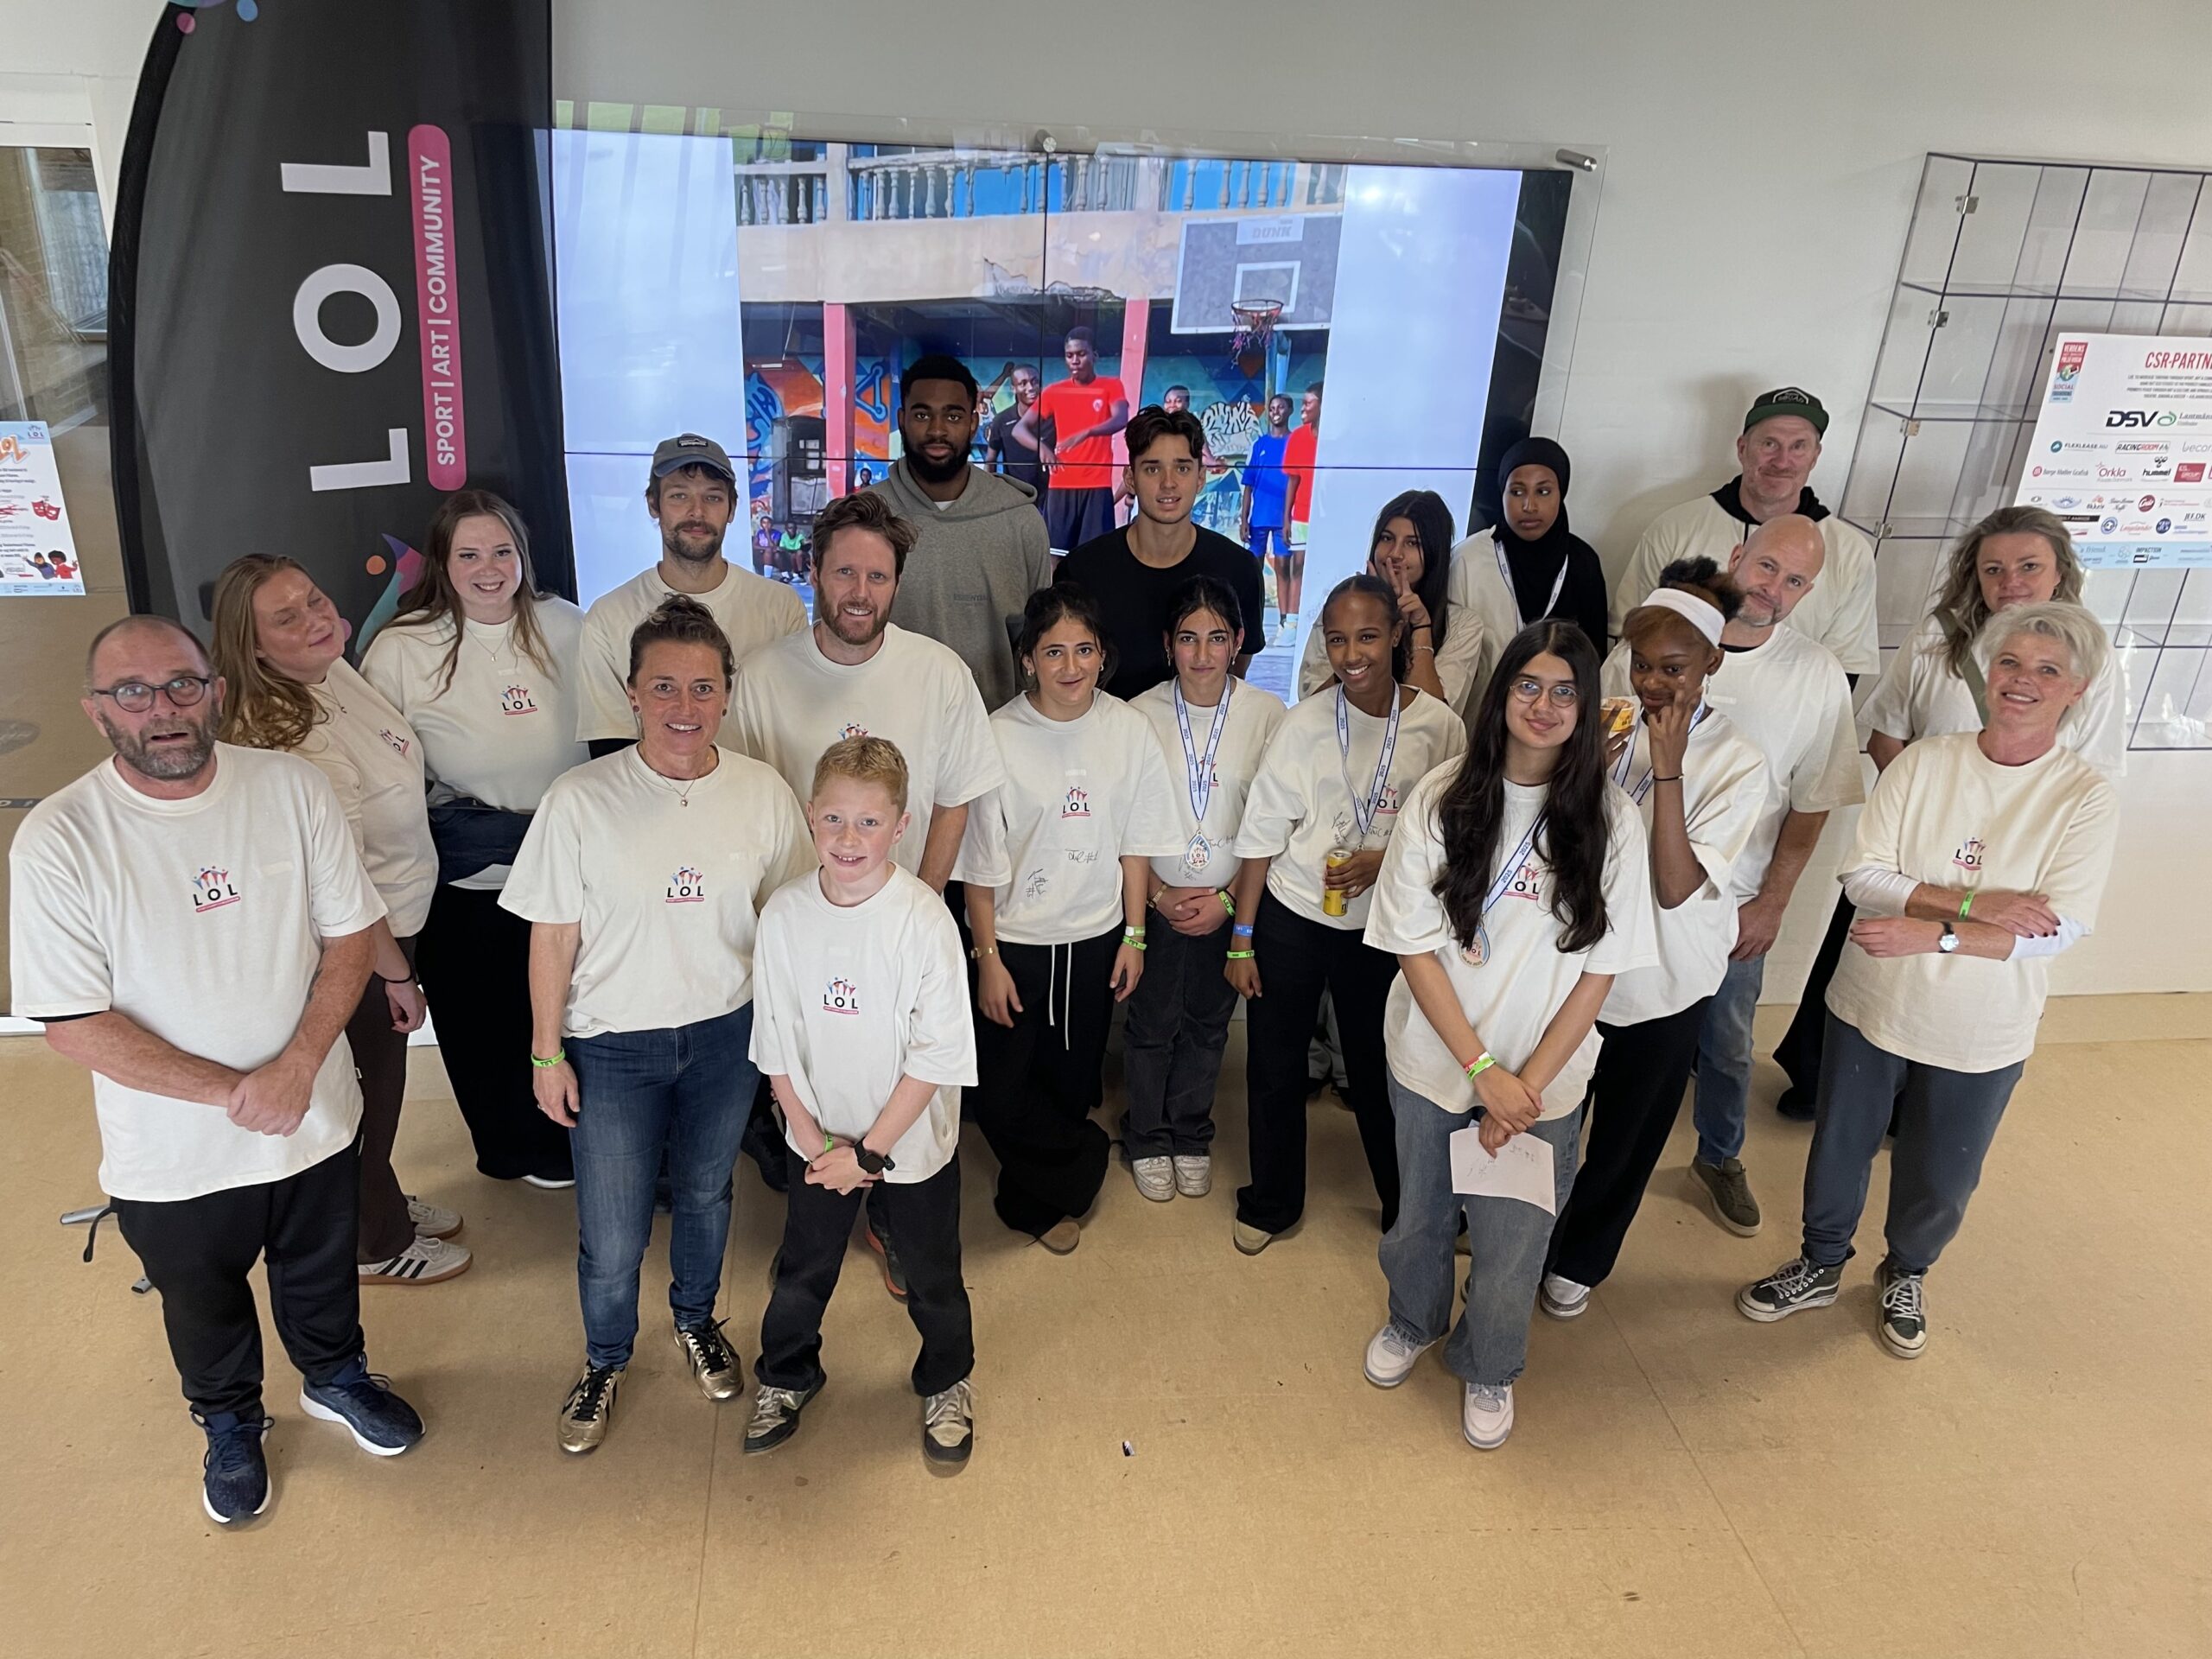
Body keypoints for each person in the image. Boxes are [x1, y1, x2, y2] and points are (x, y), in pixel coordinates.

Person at [10, 616, 424, 1524]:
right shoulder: (59, 838)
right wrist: (236, 1092)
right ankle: (231, 1421)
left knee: (320, 1271)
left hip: (314, 1116)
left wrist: (299, 1067)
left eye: (182, 685)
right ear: (96, 710)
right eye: (132, 692)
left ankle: (335, 1377)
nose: (161, 708)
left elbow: (351, 936)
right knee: (202, 1302)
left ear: (217, 693)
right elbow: (75, 1025)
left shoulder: (290, 787)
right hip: (174, 1152)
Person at [1738, 601, 2119, 1359]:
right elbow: (1863, 877)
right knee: (1838, 1148)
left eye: (2047, 671)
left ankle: (1907, 1271)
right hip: (1873, 1002)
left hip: (1983, 1026)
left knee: (1943, 1173)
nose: (2022, 681)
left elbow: (2058, 930)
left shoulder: (2085, 796)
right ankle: (1820, 1262)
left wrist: (1933, 931)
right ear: (1987, 671)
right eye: (2010, 663)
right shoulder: (1924, 763)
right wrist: (1981, 907)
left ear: (2076, 689)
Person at [503, 596, 814, 1455]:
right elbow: (552, 934)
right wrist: (545, 1053)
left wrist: (792, 1041)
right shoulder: (580, 799)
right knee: (612, 1231)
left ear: (727, 695)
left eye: (703, 688)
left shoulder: (761, 792)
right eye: (665, 686)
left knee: (708, 1193)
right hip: (611, 1044)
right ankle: (606, 1358)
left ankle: (695, 1319)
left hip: (724, 1037)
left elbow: (788, 918)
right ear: (631, 693)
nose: (685, 706)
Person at [1361, 621, 1655, 1450]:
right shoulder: (1443, 797)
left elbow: (1600, 973)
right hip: (1436, 1062)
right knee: (1420, 1217)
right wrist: (1482, 1069)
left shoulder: (1612, 821)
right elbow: (1414, 947)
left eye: (1565, 692)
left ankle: (1489, 1361)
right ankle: (1412, 1319)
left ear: (1587, 708)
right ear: (1502, 693)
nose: (1544, 705)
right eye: (1529, 685)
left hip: (1542, 1082)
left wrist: (1520, 1087)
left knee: (1514, 1239)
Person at [1770, 505, 2126, 1119]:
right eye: (1993, 569)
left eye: (2028, 567)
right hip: (1912, 850)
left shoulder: (2088, 660)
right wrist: (1918, 809)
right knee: (1861, 969)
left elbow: (2092, 770)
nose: (2010, 582)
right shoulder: (1937, 637)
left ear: (2061, 573)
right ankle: (1824, 1085)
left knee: (1964, 990)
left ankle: (1918, 1112)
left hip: (2012, 861)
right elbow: (1887, 733)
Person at [210, 556, 468, 1287]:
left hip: (396, 918)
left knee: (381, 1087)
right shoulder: (291, 733)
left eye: (315, 599)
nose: (316, 618)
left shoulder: (333, 673)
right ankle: (375, 1242)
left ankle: (377, 1200)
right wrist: (395, 973)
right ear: (253, 646)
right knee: (367, 1094)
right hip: (355, 944)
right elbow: (342, 880)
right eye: (287, 618)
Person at [1604, 517, 1861, 1236]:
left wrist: (1773, 901)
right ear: (1739, 555)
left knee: (1724, 1042)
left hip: (1728, 896)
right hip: (1615, 896)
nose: (1774, 588)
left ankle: (1718, 1155)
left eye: (1796, 581)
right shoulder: (1644, 648)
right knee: (1595, 1038)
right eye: (1768, 566)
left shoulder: (1813, 674)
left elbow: (1812, 799)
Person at [1539, 565, 1773, 1319]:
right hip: (1578, 966)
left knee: (1626, 1136)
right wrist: (1585, 777)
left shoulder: (1739, 761)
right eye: (1642, 665)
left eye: (1673, 668)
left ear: (1712, 663)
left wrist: (1666, 772)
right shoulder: (1607, 723)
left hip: (1667, 980)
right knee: (1549, 1119)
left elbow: (1675, 886)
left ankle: (1580, 1259)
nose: (1652, 684)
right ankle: (1525, 1240)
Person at [743, 737, 980, 1465]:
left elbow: (935, 1056)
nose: (849, 839)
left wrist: (868, 1156)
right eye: (834, 819)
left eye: (869, 823)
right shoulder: (784, 915)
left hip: (907, 1144)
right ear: (810, 815)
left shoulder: (924, 922)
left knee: (932, 1275)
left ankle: (947, 1380)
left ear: (900, 827)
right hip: (816, 1137)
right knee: (803, 1268)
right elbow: (775, 1040)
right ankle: (787, 1374)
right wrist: (814, 1140)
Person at [1227, 575, 1469, 1254]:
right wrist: (1242, 941)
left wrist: (1384, 860)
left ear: (1396, 635)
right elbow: (1261, 838)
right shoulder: (1304, 724)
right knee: (1275, 1063)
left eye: (1367, 636)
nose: (1352, 654)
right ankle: (1272, 1201)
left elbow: (1458, 835)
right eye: (1337, 639)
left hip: (1384, 929)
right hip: (1295, 915)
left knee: (1383, 1069)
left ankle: (1410, 1207)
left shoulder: (1439, 727)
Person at [361, 490, 587, 1189]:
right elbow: (379, 766)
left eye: (501, 552)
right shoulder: (403, 647)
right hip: (466, 873)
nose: (488, 569)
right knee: (484, 1025)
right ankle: (512, 1150)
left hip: (567, 871)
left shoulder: (568, 624)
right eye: (469, 555)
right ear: (442, 562)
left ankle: (574, 1139)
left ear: (523, 555)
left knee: (565, 1016)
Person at [954, 586, 1183, 1252]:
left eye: (1085, 650)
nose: (1071, 666)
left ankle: (1035, 1202)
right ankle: (1082, 1161)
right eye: (1053, 652)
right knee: (997, 1091)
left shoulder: (1127, 731)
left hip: (1095, 937)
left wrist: (1135, 935)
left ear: (1103, 655)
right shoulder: (997, 737)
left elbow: (1135, 845)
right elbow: (979, 866)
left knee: (1070, 1079)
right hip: (1015, 943)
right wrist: (987, 958)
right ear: (1028, 659)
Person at [730, 491, 1002, 892]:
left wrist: (919, 905)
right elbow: (737, 806)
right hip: (792, 916)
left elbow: (953, 802)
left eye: (877, 577)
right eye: (845, 572)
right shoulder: (759, 679)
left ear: (897, 584)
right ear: (814, 573)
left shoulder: (942, 674)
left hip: (901, 919)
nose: (860, 592)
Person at [1123, 577, 1287, 1201]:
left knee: (1207, 1025)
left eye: (1216, 638)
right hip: (1157, 899)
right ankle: (1147, 1135)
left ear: (1238, 641)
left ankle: (1190, 1132)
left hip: (1229, 902)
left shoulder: (1268, 716)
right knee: (1151, 1025)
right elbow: (1123, 820)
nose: (1201, 654)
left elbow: (1273, 825)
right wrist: (1157, 895)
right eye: (1188, 639)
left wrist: (1227, 901)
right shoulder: (1138, 715)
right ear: (1168, 644)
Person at [1609, 388, 1878, 676]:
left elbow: (1845, 666)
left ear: (1815, 456)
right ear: (1742, 448)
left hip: (1789, 702)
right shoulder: (1675, 529)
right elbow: (1628, 637)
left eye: (1798, 446)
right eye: (1769, 444)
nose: (1782, 461)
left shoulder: (1850, 552)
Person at [575, 433, 805, 753]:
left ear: (732, 508)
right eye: (679, 496)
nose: (697, 512)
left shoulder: (781, 607)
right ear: (653, 504)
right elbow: (611, 753)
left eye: (713, 497)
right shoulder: (607, 618)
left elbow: (795, 727)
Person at [873, 354, 1054, 713]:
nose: (937, 430)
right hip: (886, 729)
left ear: (973, 422)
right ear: (902, 420)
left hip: (996, 730)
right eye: (922, 415)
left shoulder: (1019, 521)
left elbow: (1041, 643)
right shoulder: (864, 519)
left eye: (953, 416)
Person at [1053, 405, 1268, 699]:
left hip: (1204, 728)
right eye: (1152, 469)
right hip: (1106, 727)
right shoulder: (1082, 570)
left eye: (1182, 468)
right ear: (1130, 478)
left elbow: (1234, 674)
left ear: (1201, 477)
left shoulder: (1239, 569)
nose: (1168, 483)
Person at [1299, 490, 1484, 716]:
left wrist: (1420, 629)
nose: (1395, 553)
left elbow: (1431, 720)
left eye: (1412, 543)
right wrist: (1366, 620)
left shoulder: (1463, 625)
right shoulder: (1344, 608)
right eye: (1387, 538)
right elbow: (1310, 710)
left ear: (1435, 553)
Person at [1452, 438, 1608, 689]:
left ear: (1561, 493)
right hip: (1480, 709)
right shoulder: (1467, 560)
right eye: (1517, 492)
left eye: (1543, 492)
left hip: (1555, 709)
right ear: (1502, 494)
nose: (1529, 506)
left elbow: (1594, 660)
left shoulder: (1582, 562)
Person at [1018, 327, 1130, 555]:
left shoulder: (1111, 386)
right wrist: (1042, 448)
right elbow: (1020, 429)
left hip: (1097, 486)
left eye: (1081, 354)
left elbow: (1121, 418)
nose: (1075, 361)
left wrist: (1088, 432)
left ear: (1094, 355)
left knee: (1096, 556)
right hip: (1061, 485)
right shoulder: (1054, 391)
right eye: (1070, 355)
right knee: (1056, 555)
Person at [1242, 393, 1294, 613]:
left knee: (1283, 568)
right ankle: (1254, 616)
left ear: (1290, 410)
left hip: (1285, 518)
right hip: (1259, 517)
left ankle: (1285, 619)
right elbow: (1248, 485)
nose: (1275, 412)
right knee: (1254, 569)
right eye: (1272, 408)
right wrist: (1244, 520)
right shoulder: (1259, 445)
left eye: (1280, 407)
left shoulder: (1295, 443)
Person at [1278, 383, 1323, 629]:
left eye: (1308, 403)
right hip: (1302, 515)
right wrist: (1287, 518)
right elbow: (1292, 481)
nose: (1303, 408)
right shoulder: (1297, 437)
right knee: (1298, 566)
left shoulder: (1334, 438)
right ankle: (1292, 624)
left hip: (1327, 516)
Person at [984, 363, 1045, 499]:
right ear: (1013, 388)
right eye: (1023, 383)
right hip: (1016, 494)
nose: (1031, 388)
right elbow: (991, 459)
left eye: (1035, 382)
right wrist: (989, 493)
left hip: (1048, 496)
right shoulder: (1001, 420)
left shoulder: (1053, 418)